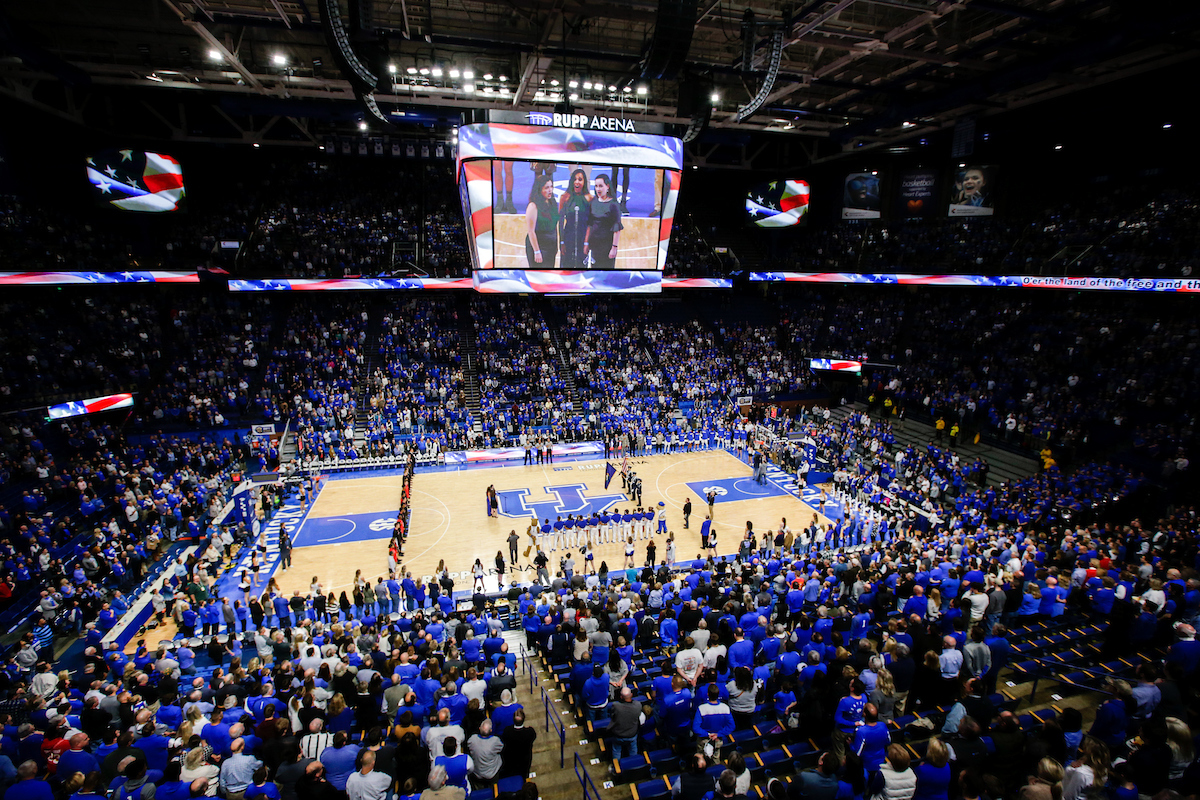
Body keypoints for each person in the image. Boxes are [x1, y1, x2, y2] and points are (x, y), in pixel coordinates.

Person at [584, 173, 623, 269]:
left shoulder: (614, 204)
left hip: (607, 246)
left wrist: (614, 248)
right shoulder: (593, 202)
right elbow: (590, 224)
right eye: (596, 186)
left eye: (601, 186)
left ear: (607, 186)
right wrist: (586, 243)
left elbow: (617, 228)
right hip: (594, 246)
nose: (598, 189)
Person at [558, 168, 591, 269]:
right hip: (568, 238)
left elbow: (591, 222)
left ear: (584, 182)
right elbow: (560, 221)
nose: (577, 182)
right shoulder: (564, 197)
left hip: (582, 238)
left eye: (580, 179)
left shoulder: (589, 198)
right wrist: (562, 242)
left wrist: (587, 242)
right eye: (575, 179)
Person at [524, 173, 558, 268]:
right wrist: (537, 251)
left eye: (551, 186)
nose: (550, 190)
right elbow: (531, 231)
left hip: (551, 246)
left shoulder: (552, 202)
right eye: (546, 187)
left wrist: (556, 246)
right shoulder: (533, 206)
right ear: (540, 189)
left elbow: (554, 226)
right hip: (539, 246)